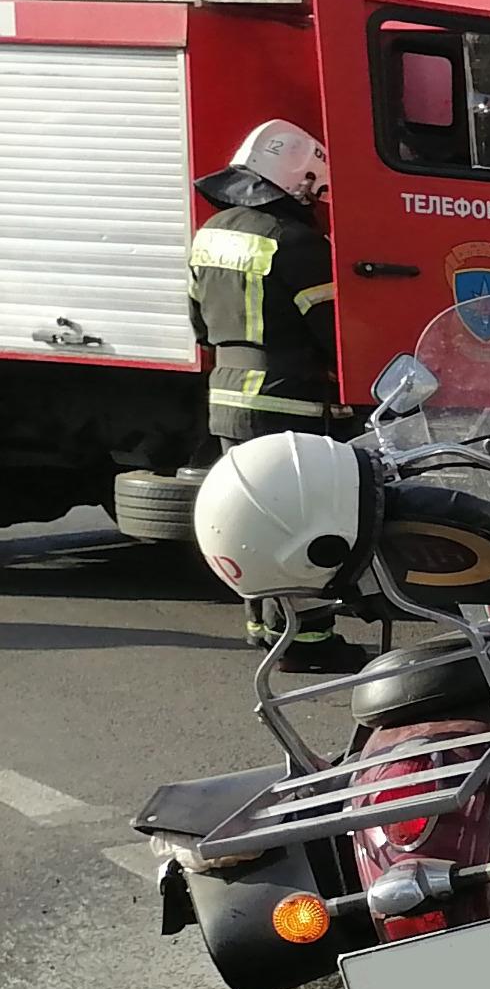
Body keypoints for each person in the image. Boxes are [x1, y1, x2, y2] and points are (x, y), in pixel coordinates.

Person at [187, 122, 353, 672]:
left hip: (228, 397)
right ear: (299, 179)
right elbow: (333, 333)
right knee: (303, 519)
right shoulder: (297, 242)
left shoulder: (211, 232)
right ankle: (309, 642)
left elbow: (200, 325)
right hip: (288, 401)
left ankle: (263, 628)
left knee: (252, 517)